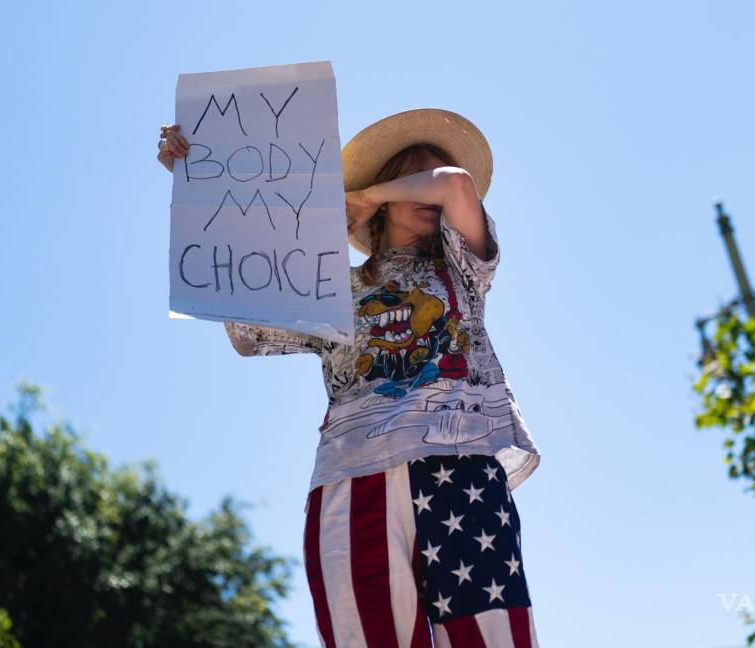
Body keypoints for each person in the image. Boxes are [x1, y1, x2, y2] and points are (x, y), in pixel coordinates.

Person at [157, 108, 542, 647]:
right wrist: (197, 175)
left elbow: (456, 185)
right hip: (352, 479)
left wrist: (367, 195)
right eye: (415, 174)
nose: (428, 190)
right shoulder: (331, 285)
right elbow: (243, 323)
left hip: (463, 470)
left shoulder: (462, 269)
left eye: (420, 179)